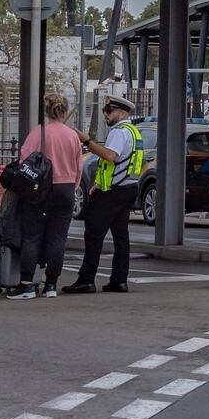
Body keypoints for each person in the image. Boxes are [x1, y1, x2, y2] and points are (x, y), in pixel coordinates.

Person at [8, 92, 86, 300]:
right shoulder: (72, 136)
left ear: (46, 111)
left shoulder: (39, 133)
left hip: (42, 190)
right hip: (67, 189)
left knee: (32, 236)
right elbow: (79, 167)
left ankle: (26, 285)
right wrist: (72, 186)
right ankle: (51, 284)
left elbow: (25, 159)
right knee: (58, 238)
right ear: (65, 110)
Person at [65, 95, 145, 295]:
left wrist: (87, 141)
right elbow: (118, 165)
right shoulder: (133, 131)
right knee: (120, 235)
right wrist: (99, 183)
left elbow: (110, 156)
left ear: (123, 113)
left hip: (114, 192)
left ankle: (86, 280)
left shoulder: (119, 132)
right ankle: (119, 281)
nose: (106, 115)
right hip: (127, 188)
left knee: (93, 233)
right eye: (104, 111)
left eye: (109, 111)